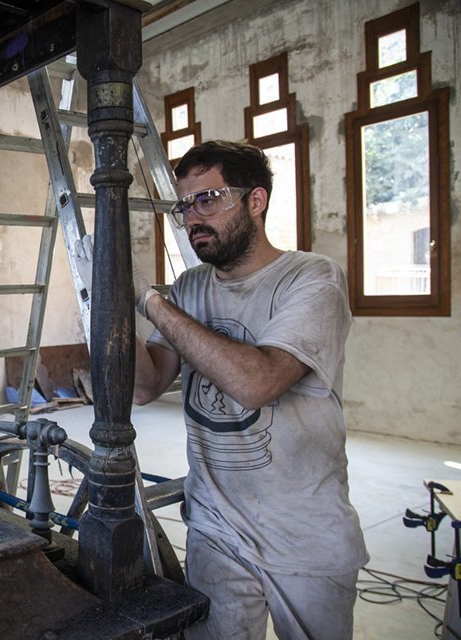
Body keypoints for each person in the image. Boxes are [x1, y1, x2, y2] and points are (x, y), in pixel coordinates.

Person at [130, 140, 368, 639]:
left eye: (208, 199)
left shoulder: (311, 278)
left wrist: (150, 301)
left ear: (255, 201)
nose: (193, 218)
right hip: (215, 528)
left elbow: (258, 383)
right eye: (184, 206)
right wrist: (107, 304)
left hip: (304, 534)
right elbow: (146, 387)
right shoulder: (191, 287)